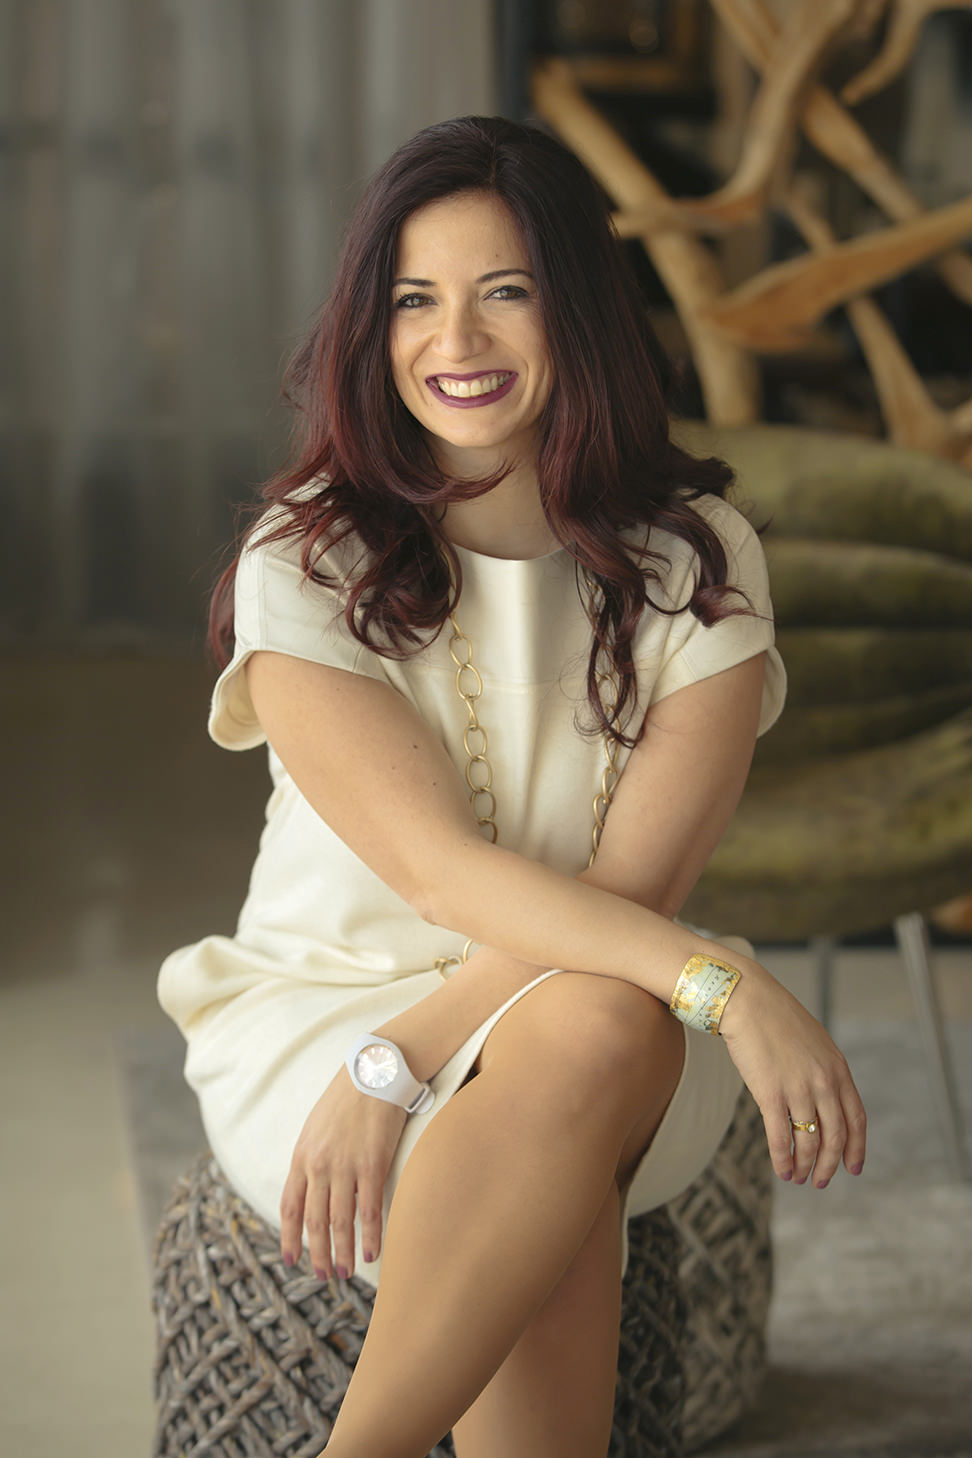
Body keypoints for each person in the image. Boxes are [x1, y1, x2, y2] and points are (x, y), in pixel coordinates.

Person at [158, 115, 866, 1458]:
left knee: (590, 1027)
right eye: (414, 300)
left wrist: (424, 1059)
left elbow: (628, 894)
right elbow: (438, 878)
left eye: (505, 292)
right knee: (576, 1105)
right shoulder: (306, 557)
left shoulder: (696, 561)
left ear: (577, 309)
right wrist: (726, 985)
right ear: (372, 327)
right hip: (333, 1013)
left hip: (610, 999)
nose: (457, 341)